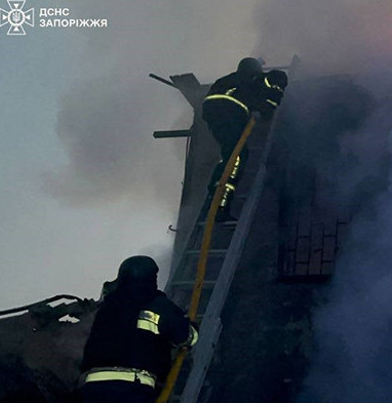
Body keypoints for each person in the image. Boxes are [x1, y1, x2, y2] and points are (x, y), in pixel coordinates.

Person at [79, 255, 198, 403]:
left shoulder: (107, 308)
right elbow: (187, 337)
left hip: (92, 389)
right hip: (133, 389)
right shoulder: (158, 304)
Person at [202, 57, 288, 221]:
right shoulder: (260, 80)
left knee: (229, 152)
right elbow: (269, 100)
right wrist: (270, 106)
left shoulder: (230, 79)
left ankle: (214, 192)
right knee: (238, 157)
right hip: (230, 111)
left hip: (212, 114)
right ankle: (220, 206)